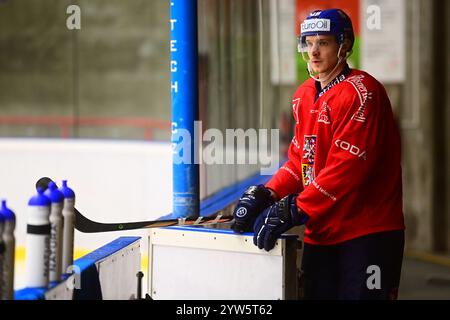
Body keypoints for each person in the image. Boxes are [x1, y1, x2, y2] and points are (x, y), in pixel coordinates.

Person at [231, 8, 405, 300]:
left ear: (345, 45)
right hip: (321, 232)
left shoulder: (363, 93)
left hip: (367, 235)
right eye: (307, 42)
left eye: (322, 42)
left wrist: (295, 208)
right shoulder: (303, 95)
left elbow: (349, 168)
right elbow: (300, 159)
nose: (313, 51)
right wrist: (268, 193)